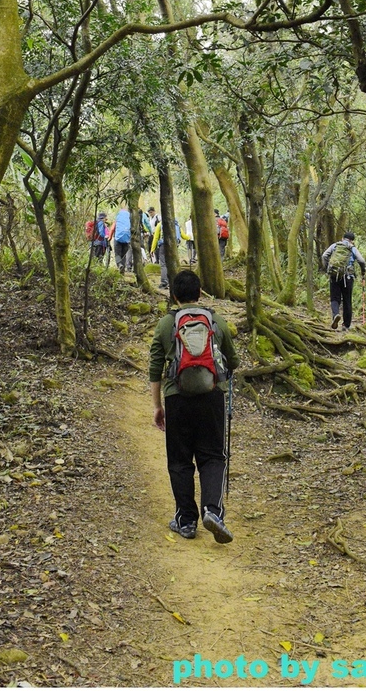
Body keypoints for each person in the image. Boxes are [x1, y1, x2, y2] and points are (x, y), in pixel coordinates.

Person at [149, 269, 240, 542]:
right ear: (200, 294)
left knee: (179, 460)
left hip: (177, 398)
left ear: (174, 295)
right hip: (212, 397)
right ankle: (213, 511)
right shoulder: (216, 321)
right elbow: (232, 360)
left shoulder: (166, 324)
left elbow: (155, 367)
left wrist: (157, 406)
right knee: (212, 456)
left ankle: (186, 520)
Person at [321, 231, 366, 330]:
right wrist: (363, 270)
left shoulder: (335, 246)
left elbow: (324, 256)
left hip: (334, 275)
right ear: (352, 241)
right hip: (348, 277)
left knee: (334, 298)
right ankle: (346, 325)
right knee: (347, 300)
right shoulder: (352, 248)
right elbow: (361, 260)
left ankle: (336, 315)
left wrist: (327, 268)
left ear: (343, 238)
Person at [113, 207, 131, 273]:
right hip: (126, 239)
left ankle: (120, 265)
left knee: (117, 254)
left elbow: (112, 228)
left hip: (117, 239)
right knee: (123, 255)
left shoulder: (118, 218)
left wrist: (109, 237)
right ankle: (123, 270)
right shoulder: (129, 218)